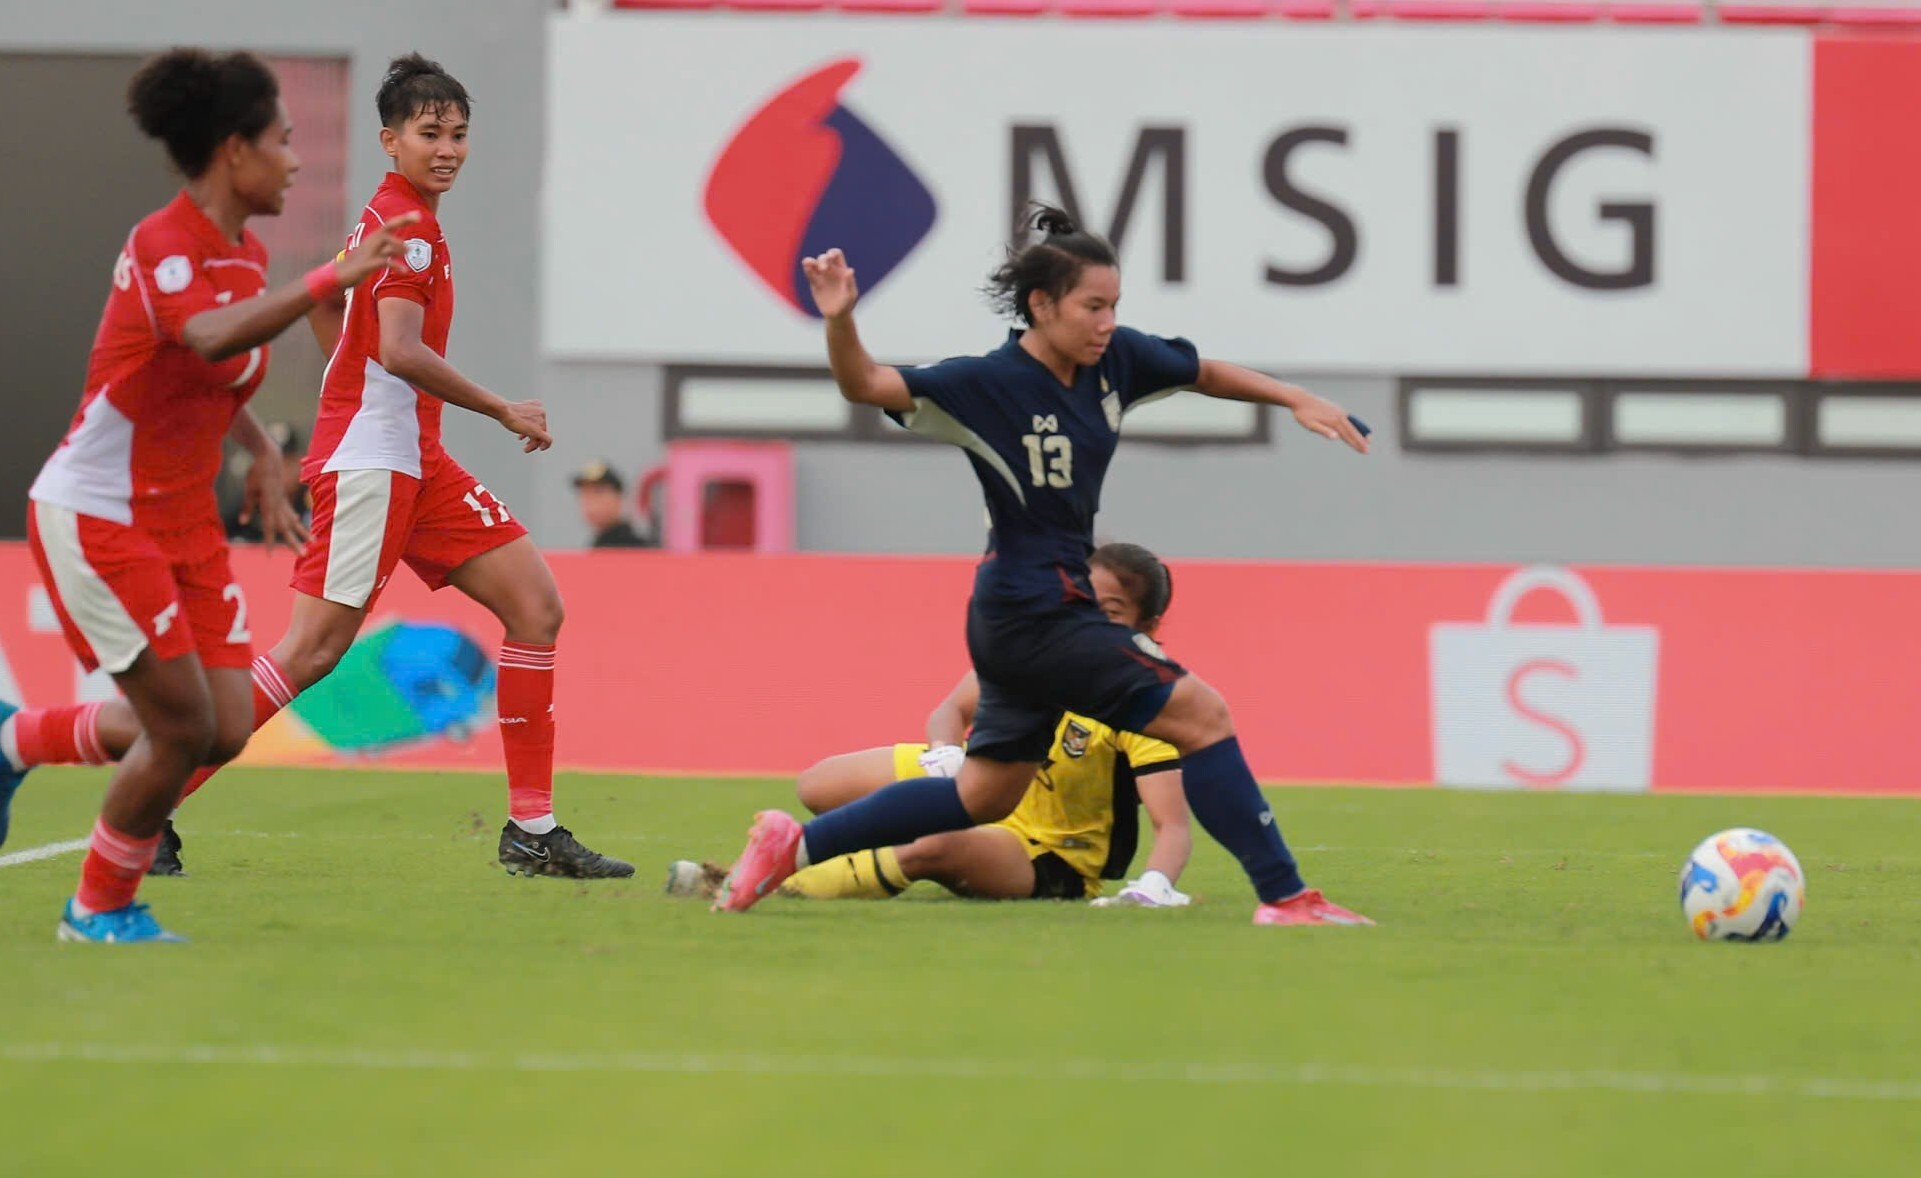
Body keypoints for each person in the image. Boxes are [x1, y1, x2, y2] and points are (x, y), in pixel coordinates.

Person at [2, 54, 633, 884]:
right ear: (390, 140)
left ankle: (531, 829)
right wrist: (499, 408)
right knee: (310, 652)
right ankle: (152, 811)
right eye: (429, 133)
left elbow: (341, 311)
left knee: (535, 606)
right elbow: (399, 349)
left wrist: (346, 372)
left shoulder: (391, 221)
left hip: (416, 458)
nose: (447, 148)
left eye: (458, 134)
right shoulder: (405, 229)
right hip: (374, 461)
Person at [715, 204, 1374, 927]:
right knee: (1203, 714)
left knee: (984, 795)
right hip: (1036, 608)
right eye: (1092, 306)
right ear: (1041, 304)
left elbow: (1203, 371)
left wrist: (1294, 397)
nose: (1107, 322)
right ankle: (1285, 897)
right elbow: (865, 384)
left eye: (1114, 305)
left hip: (1027, 612)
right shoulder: (986, 384)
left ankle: (793, 847)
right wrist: (840, 319)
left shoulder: (1114, 361)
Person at [0, 48, 419, 942]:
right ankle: (97, 908)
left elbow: (214, 375)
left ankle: (18, 741)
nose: (295, 162)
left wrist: (261, 448)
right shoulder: (165, 243)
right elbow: (204, 337)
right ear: (235, 150)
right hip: (101, 512)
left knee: (224, 727)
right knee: (180, 728)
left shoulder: (246, 253)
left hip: (181, 520)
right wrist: (328, 279)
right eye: (283, 141)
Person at [669, 542, 1192, 906]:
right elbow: (951, 710)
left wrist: (1153, 885)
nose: (1091, 622)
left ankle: (762, 884)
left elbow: (1172, 826)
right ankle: (855, 851)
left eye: (1111, 612)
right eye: (1084, 603)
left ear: (1147, 627)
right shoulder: (1038, 651)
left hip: (1046, 852)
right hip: (978, 787)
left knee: (931, 850)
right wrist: (946, 753)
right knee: (818, 785)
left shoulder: (1142, 701)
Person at [572, 461, 652, 548]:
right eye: (585, 494)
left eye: (598, 492)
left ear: (619, 499)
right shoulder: (598, 544)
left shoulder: (634, 547)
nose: (591, 502)